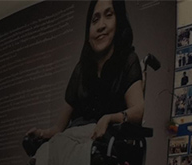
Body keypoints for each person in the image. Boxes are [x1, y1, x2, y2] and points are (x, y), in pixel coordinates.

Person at [28, 0, 144, 141]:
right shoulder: (81, 70)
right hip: (73, 139)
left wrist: (109, 118)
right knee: (41, 158)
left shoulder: (128, 60)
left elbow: (138, 111)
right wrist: (41, 133)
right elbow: (58, 128)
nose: (101, 26)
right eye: (95, 20)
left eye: (108, 15)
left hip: (104, 142)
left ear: (118, 21)